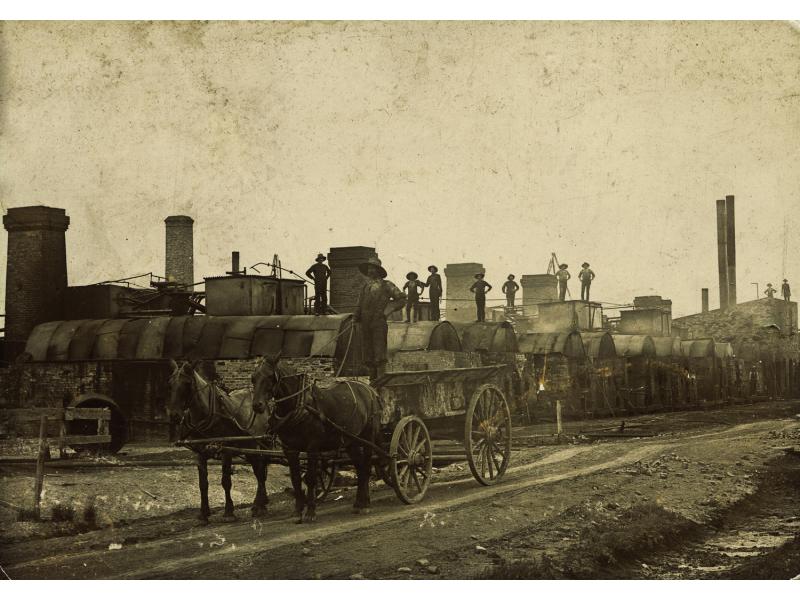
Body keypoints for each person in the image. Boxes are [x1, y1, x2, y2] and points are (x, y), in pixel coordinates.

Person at [353, 257, 406, 382]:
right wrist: (355, 317)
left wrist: (387, 311)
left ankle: (381, 381)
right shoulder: (365, 287)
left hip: (378, 322)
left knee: (379, 353)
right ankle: (372, 381)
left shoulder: (387, 285)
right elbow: (359, 304)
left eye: (373, 268)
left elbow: (401, 299)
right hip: (365, 322)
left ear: (378, 271)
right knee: (368, 353)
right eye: (369, 268)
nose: (370, 271)